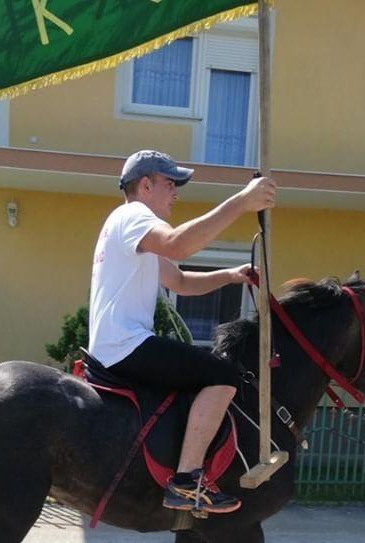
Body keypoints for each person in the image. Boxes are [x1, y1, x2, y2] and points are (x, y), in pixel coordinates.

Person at [88, 150, 276, 514]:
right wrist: (242, 201)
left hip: (118, 344)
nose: (176, 193)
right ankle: (187, 480)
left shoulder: (133, 230)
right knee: (222, 374)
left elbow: (180, 281)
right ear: (145, 185)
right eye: (170, 183)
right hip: (125, 345)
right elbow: (180, 244)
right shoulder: (134, 216)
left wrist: (230, 275)